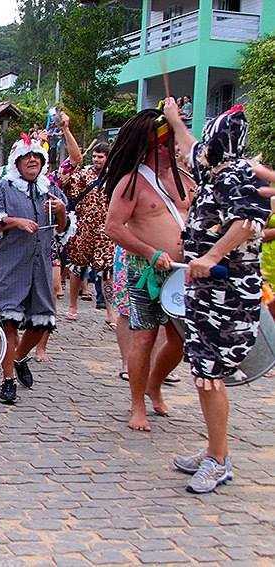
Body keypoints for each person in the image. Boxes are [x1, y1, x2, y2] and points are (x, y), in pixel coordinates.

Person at [164, 99, 270, 493]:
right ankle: (214, 448)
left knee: (210, 376)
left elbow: (246, 223)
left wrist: (211, 255)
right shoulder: (213, 169)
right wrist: (175, 120)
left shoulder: (242, 176)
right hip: (206, 292)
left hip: (230, 295)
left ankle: (220, 460)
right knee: (203, 375)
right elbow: (188, 144)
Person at [103, 108, 191, 431]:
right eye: (163, 146)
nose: (170, 151)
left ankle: (155, 382)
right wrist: (151, 253)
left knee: (180, 340)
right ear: (148, 148)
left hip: (182, 272)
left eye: (170, 145)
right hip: (147, 271)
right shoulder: (131, 183)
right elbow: (113, 227)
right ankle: (137, 403)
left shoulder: (182, 177)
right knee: (144, 338)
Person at [0, 134, 75, 404]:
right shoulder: (2, 189)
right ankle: (7, 379)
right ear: (16, 162)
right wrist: (15, 221)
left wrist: (62, 212)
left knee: (43, 323)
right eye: (26, 157)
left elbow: (63, 232)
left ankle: (18, 358)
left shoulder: (50, 190)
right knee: (8, 322)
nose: (32, 160)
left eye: (37, 157)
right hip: (9, 265)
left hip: (39, 264)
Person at [57, 114, 114, 326]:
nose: (97, 160)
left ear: (108, 157)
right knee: (76, 269)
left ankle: (110, 311)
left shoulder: (115, 176)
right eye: (95, 156)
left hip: (106, 230)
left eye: (101, 157)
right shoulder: (83, 174)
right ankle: (72, 305)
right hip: (83, 227)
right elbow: (69, 178)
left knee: (107, 272)